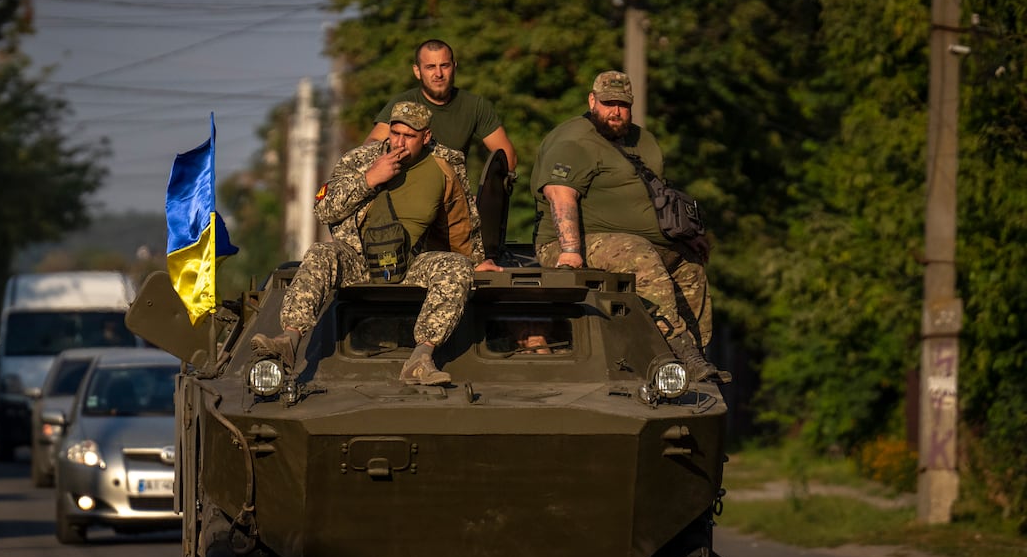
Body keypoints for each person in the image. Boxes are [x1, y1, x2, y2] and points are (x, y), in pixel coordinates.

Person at [252, 101, 501, 385]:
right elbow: (324, 209)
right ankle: (289, 340)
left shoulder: (447, 163)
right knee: (321, 253)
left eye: (409, 136)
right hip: (357, 258)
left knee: (456, 266)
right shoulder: (360, 159)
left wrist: (477, 260)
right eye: (395, 133)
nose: (399, 142)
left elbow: (461, 218)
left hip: (410, 262)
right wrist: (370, 179)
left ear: (427, 136)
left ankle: (420, 359)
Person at [532, 70, 725, 381]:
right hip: (571, 243)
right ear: (592, 100)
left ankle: (695, 354)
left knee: (690, 266)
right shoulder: (573, 141)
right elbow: (560, 193)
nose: (616, 112)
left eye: (623, 104)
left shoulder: (641, 139)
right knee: (638, 253)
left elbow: (655, 192)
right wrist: (569, 250)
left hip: (638, 244)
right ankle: (674, 347)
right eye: (608, 103)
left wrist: (686, 236)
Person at [365, 39, 518, 183]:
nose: (438, 74)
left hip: (452, 194)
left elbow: (507, 158)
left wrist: (487, 194)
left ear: (454, 67)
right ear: (417, 71)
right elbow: (370, 146)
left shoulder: (476, 105)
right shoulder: (402, 104)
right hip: (406, 191)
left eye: (444, 66)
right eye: (430, 67)